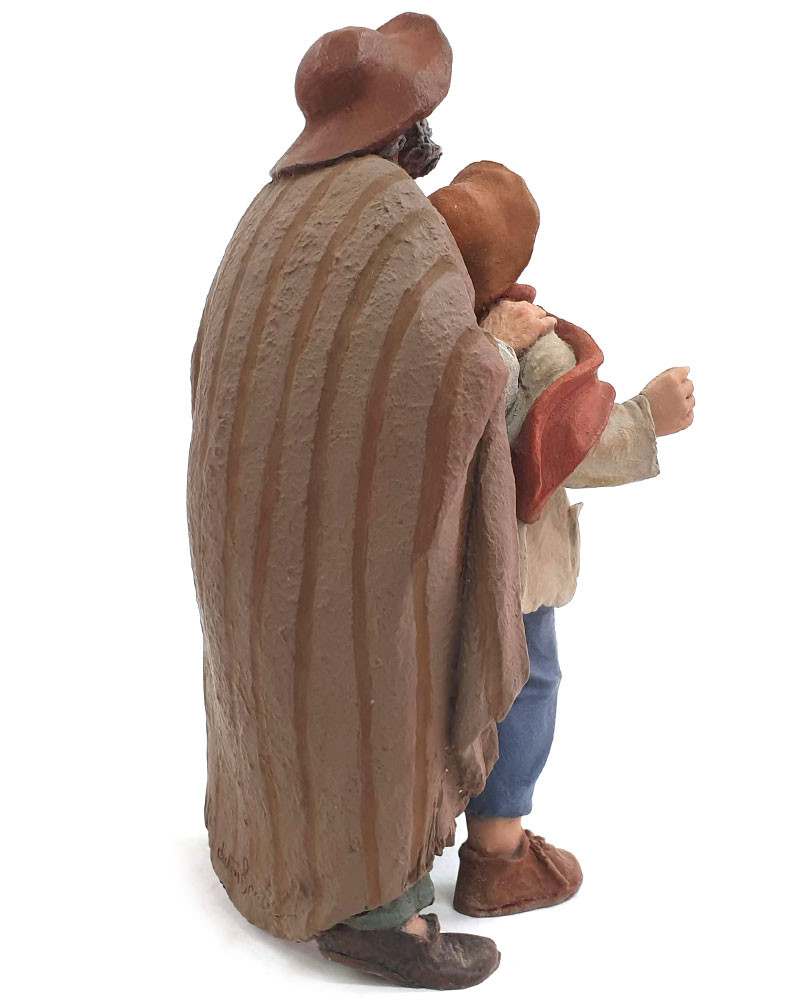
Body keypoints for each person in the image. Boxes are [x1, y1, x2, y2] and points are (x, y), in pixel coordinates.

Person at [187, 17, 530, 990]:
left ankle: (265, 854)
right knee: (372, 703)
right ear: (397, 126)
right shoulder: (393, 217)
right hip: (349, 555)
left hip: (255, 533)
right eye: (420, 111)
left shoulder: (266, 210)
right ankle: (383, 917)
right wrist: (500, 348)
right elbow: (448, 380)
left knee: (282, 697)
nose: (429, 129)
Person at [429, 162, 695, 917]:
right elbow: (563, 441)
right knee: (524, 686)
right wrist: (646, 417)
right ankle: (498, 852)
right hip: (508, 567)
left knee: (468, 689)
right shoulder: (515, 339)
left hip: (442, 565)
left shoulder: (431, 331)